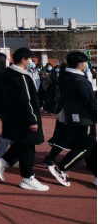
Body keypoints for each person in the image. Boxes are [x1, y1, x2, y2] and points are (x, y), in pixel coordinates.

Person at [0, 48, 49, 192]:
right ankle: (28, 177)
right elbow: (26, 100)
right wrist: (32, 120)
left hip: (13, 117)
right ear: (23, 60)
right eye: (30, 59)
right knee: (28, 147)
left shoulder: (7, 74)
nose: (31, 62)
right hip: (23, 118)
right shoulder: (20, 76)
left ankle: (3, 161)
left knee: (22, 144)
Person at [47, 52, 97, 187]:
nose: (86, 65)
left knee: (91, 147)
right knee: (86, 147)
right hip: (85, 118)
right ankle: (61, 168)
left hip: (72, 116)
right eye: (85, 62)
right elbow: (91, 102)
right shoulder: (81, 81)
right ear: (80, 64)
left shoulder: (64, 77)